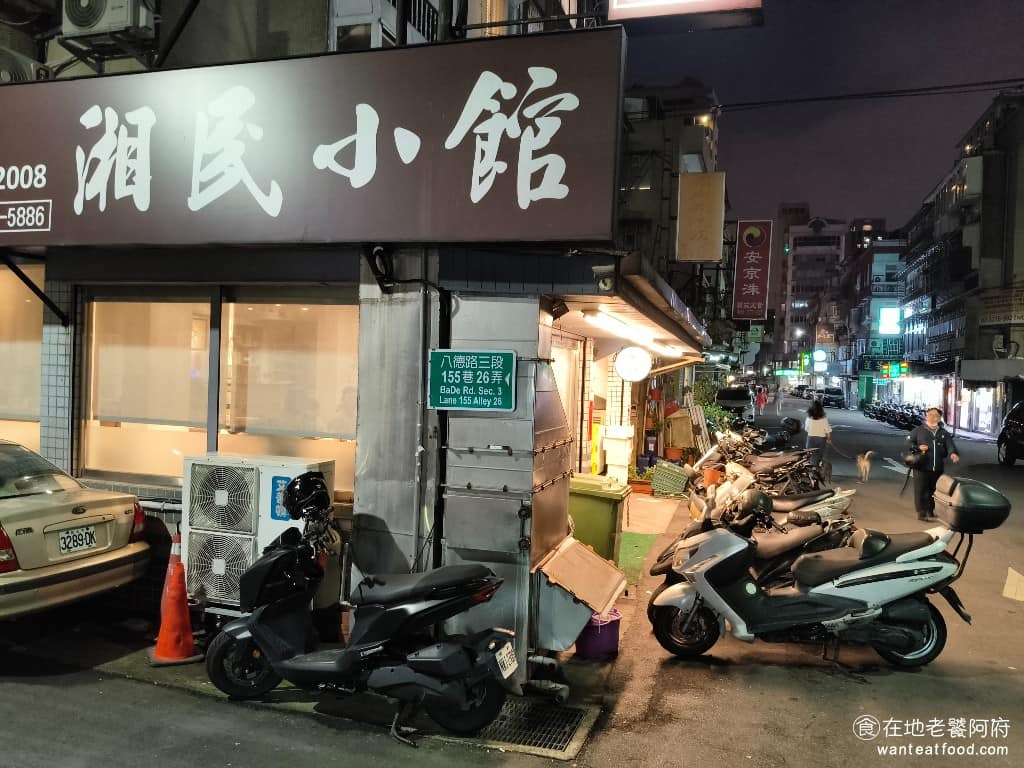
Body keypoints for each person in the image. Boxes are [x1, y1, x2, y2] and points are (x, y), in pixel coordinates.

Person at [907, 407, 960, 521]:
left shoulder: (943, 433)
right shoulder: (919, 430)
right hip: (921, 467)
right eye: (929, 414)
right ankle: (921, 513)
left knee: (933, 491)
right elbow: (909, 443)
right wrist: (917, 447)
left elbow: (950, 445)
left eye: (934, 415)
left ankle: (930, 510)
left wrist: (953, 453)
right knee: (920, 490)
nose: (931, 416)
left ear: (939, 418)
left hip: (937, 468)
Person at [804, 400, 831, 468]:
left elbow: (806, 429)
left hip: (811, 438)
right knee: (819, 455)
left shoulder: (809, 418)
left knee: (809, 455)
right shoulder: (824, 419)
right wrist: (828, 439)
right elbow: (827, 430)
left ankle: (810, 470)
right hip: (821, 439)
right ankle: (817, 469)